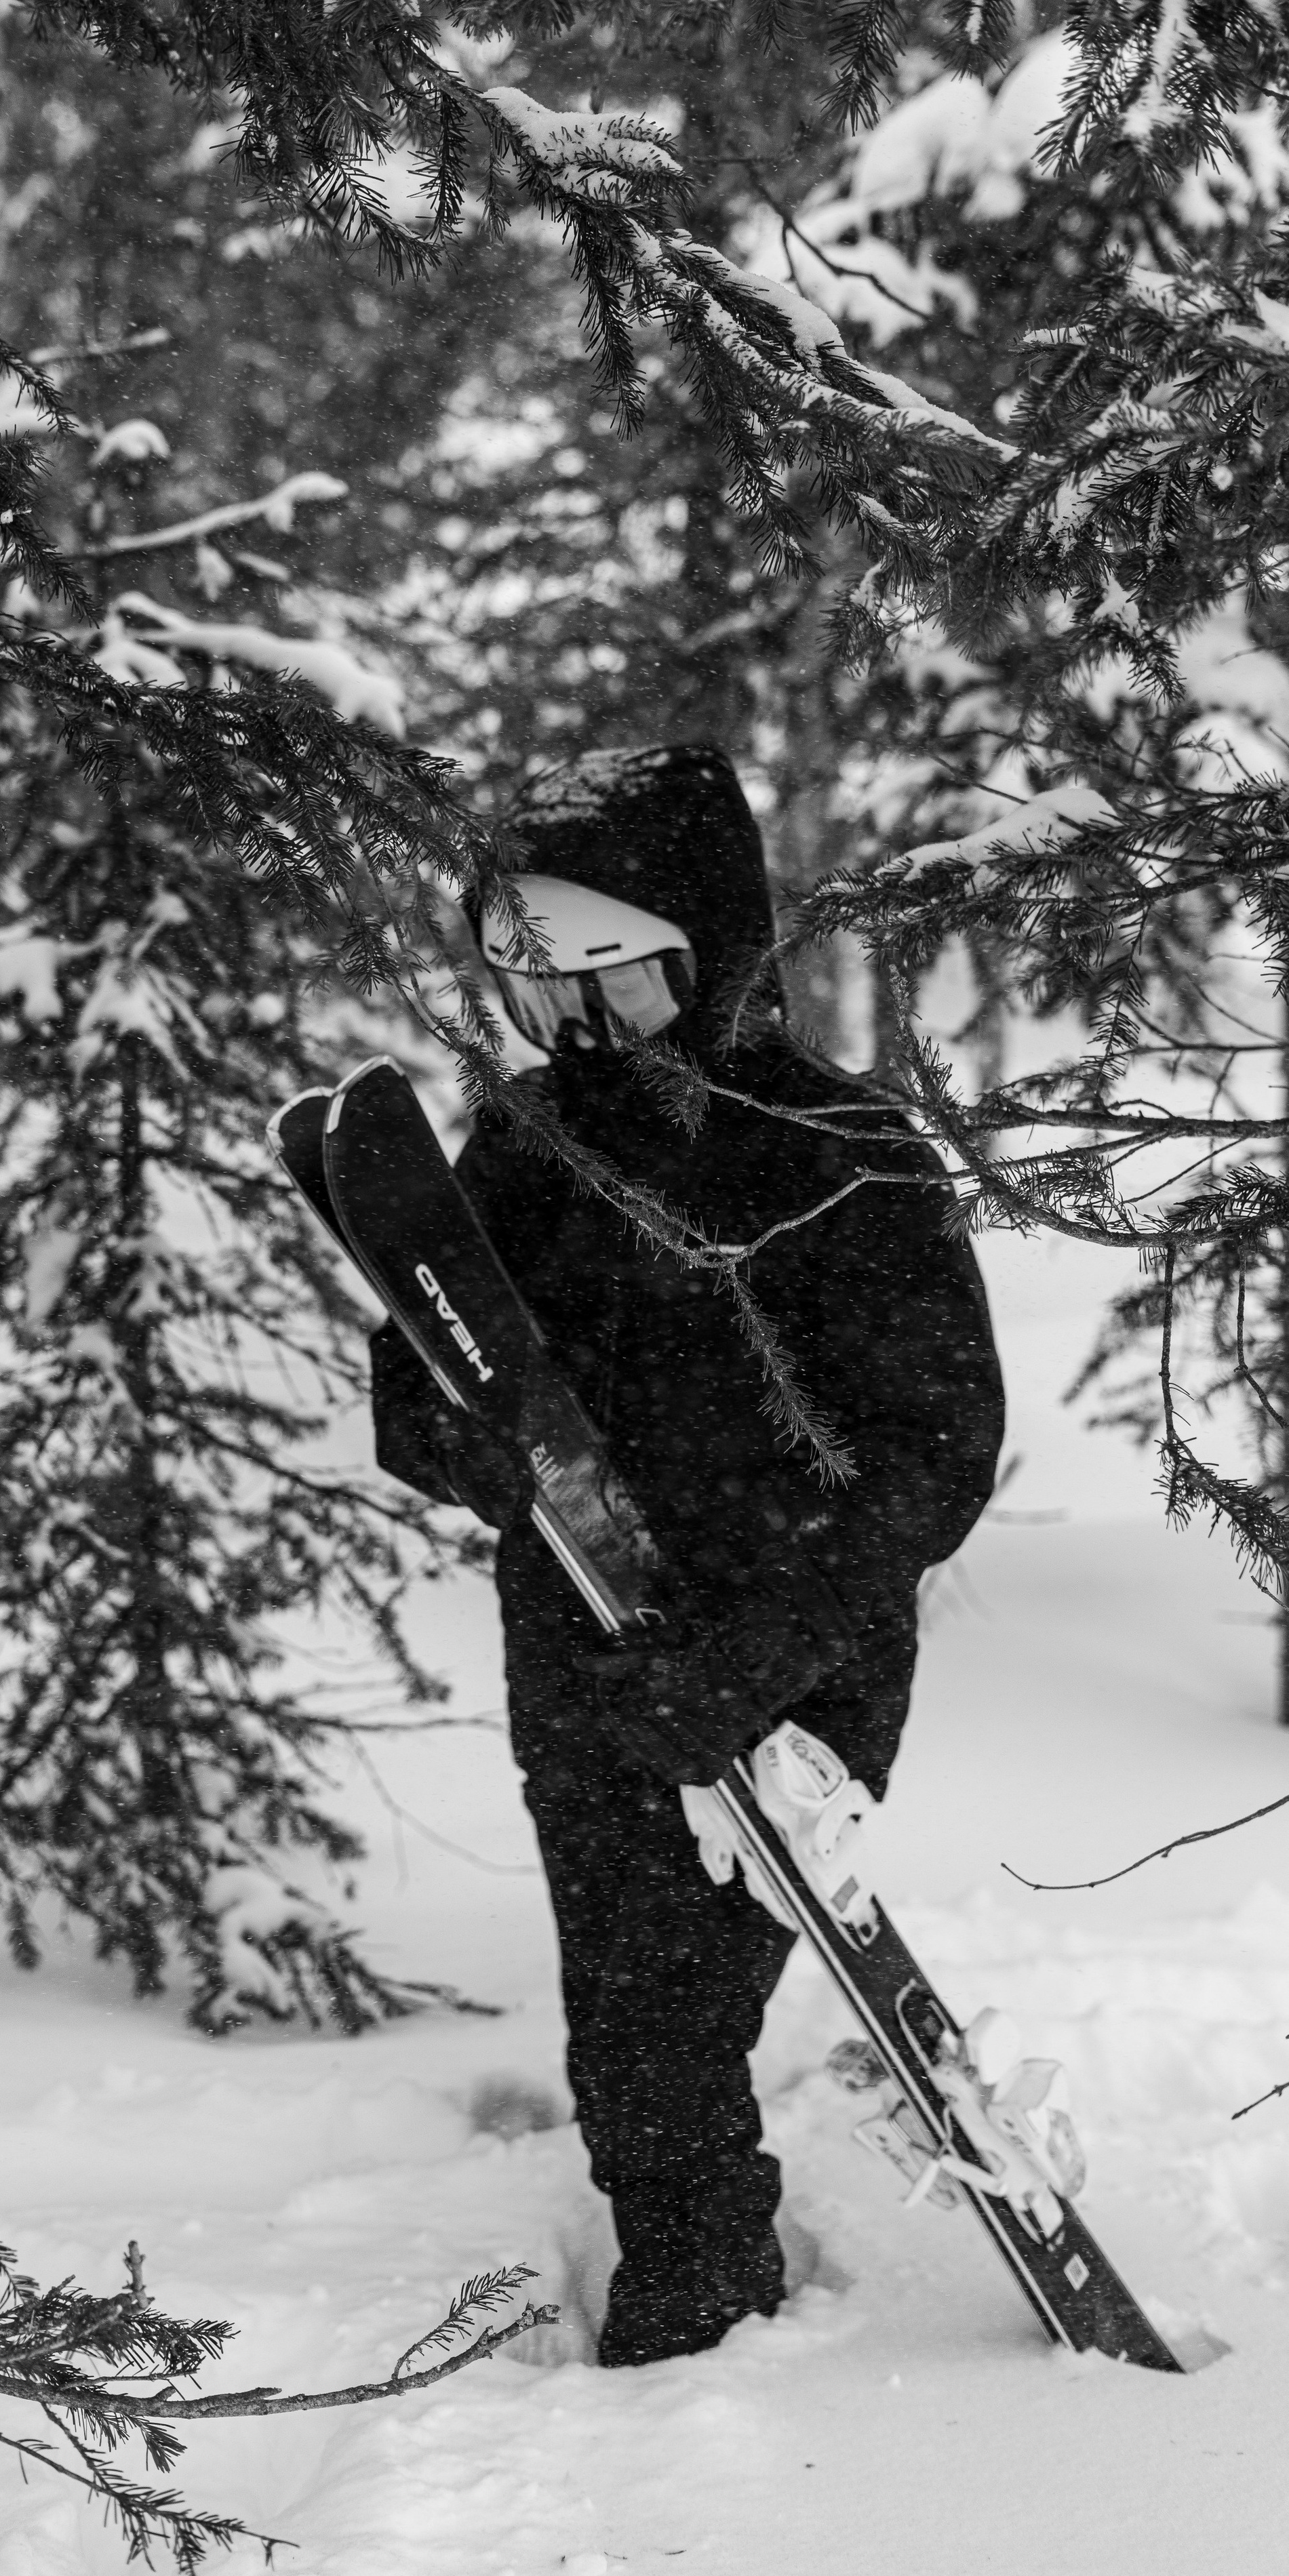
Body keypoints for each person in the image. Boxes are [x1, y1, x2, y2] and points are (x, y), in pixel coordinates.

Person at [368, 746, 1006, 2369]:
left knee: (693, 1971)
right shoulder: (513, 1153)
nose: (575, 1032)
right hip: (579, 1627)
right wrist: (461, 1440)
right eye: (531, 991)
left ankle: (705, 2286)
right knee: (627, 1980)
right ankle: (689, 2257)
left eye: (614, 984)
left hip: (797, 1626)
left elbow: (934, 1450)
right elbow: (430, 1388)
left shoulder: (833, 1147)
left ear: (705, 948)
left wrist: (757, 1648)